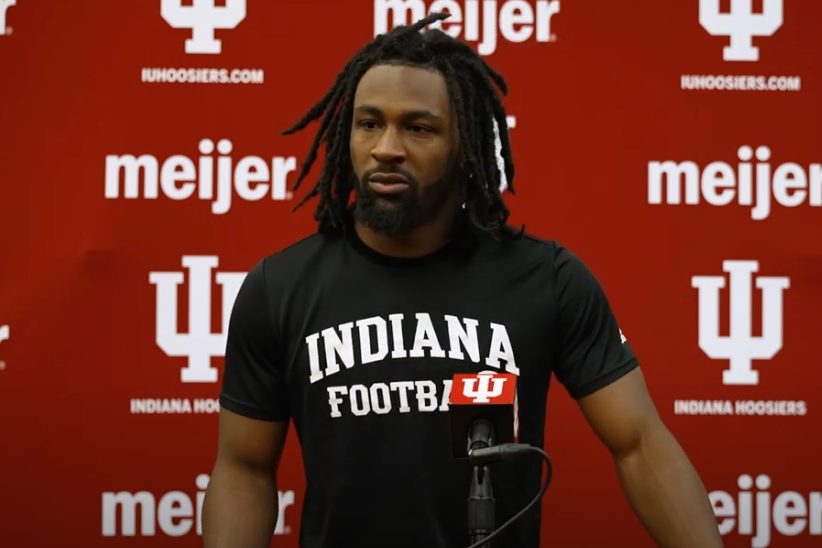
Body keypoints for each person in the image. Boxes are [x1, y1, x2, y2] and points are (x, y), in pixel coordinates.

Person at [202, 12, 723, 548]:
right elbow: (244, 470)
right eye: (369, 123)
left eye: (418, 127)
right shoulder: (280, 286)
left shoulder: (545, 279)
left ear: (466, 148)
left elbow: (640, 444)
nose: (386, 147)